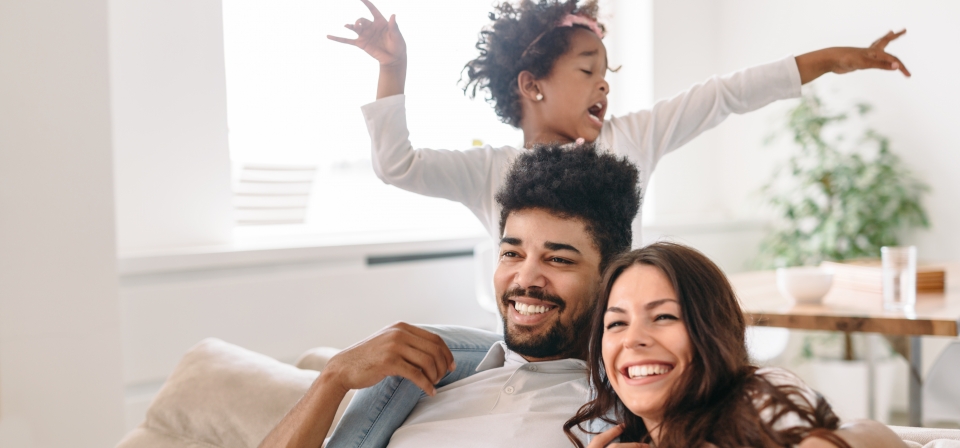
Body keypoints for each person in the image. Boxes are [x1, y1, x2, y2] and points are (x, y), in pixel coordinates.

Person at [260, 146, 904, 448]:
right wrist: (333, 380)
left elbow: (879, 438)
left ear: (611, 275)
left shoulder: (629, 404)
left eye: (558, 259)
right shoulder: (422, 374)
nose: (525, 278)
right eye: (512, 251)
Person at [329, 0, 910, 241]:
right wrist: (394, 70)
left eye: (608, 71)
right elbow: (396, 165)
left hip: (614, 353)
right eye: (587, 70)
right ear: (531, 85)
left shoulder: (630, 139)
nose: (604, 83)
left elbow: (728, 94)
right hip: (525, 351)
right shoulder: (490, 171)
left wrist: (834, 60)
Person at [564, 242, 903, 448]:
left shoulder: (753, 401)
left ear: (710, 329)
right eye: (617, 323)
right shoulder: (610, 426)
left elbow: (875, 434)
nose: (634, 339)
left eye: (665, 317)